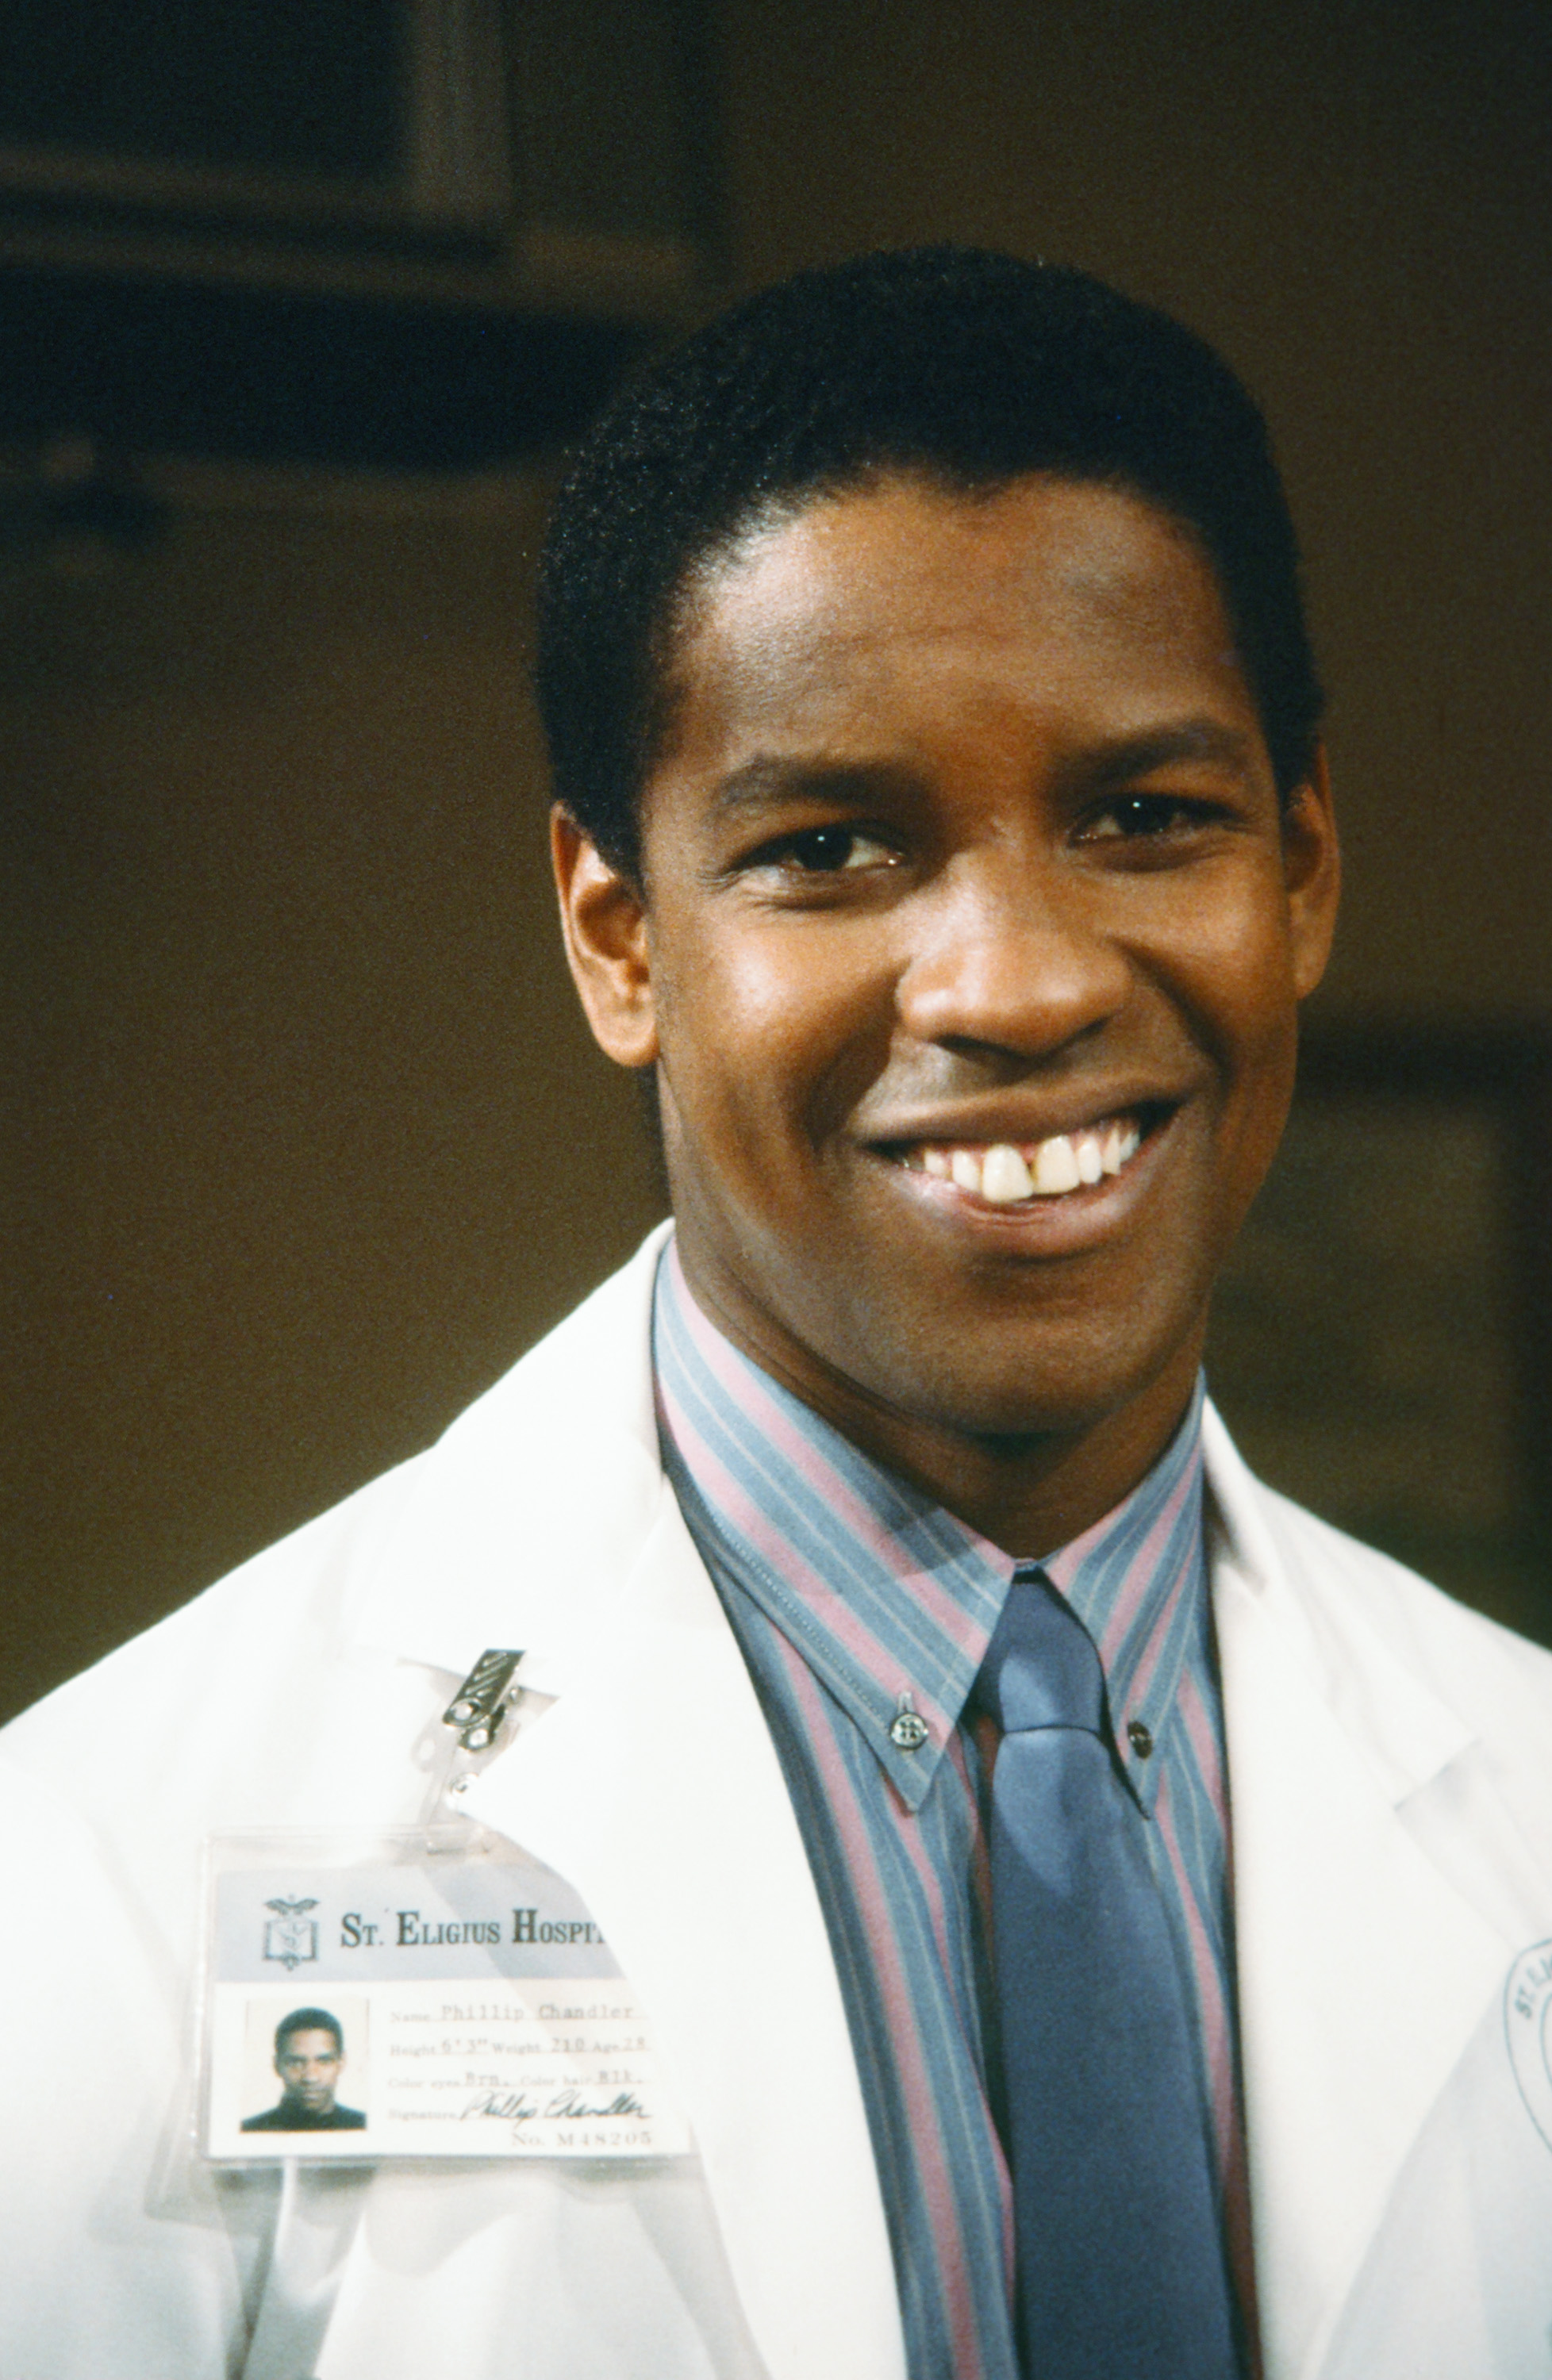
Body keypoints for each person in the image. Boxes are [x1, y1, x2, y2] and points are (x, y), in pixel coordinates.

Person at [2, 247, 1551, 2380]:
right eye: (832, 847)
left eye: (1140, 817)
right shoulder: (96, 1878)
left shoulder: (1525, 1784)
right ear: (616, 939)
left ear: (1296, 867)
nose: (1012, 982)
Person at [240, 2008, 367, 2132]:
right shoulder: (248, 2131)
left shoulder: (365, 2126)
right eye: (295, 2063)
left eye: (324, 2061)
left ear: (341, 2062)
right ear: (276, 2065)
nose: (310, 2077)